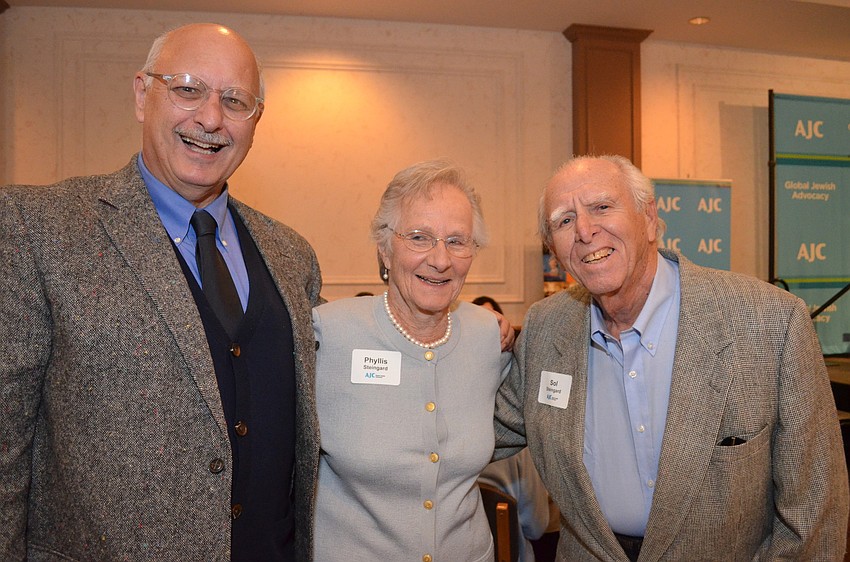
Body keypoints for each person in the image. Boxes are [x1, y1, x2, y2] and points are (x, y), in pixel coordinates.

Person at [0, 24, 322, 561]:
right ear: (141, 95)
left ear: (256, 121)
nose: (211, 119)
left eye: (235, 100)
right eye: (188, 88)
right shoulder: (36, 229)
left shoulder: (292, 254)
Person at [494, 154, 850, 561]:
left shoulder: (770, 323)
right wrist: (457, 336)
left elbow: (815, 513)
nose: (585, 231)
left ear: (648, 217)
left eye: (602, 207)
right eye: (564, 220)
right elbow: (475, 433)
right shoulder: (545, 327)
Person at [312, 160, 512, 561]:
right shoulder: (327, 334)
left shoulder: (488, 336)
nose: (441, 260)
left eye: (458, 241)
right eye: (420, 237)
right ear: (385, 249)